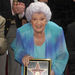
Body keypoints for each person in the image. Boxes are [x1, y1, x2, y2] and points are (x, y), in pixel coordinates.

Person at [11, 2, 69, 75]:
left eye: (42, 19)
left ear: (47, 19)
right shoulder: (22, 32)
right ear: (30, 20)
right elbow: (18, 50)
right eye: (34, 19)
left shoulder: (56, 31)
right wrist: (23, 56)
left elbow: (62, 55)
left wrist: (54, 71)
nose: (38, 23)